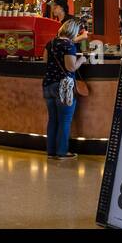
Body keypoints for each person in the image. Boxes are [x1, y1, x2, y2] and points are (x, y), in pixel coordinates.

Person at [41, 17, 86, 159]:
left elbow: (45, 60)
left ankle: (51, 151)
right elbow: (70, 67)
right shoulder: (69, 46)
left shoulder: (51, 43)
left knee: (53, 119)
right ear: (73, 31)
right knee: (65, 120)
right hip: (64, 87)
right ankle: (62, 152)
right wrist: (82, 60)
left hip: (48, 85)